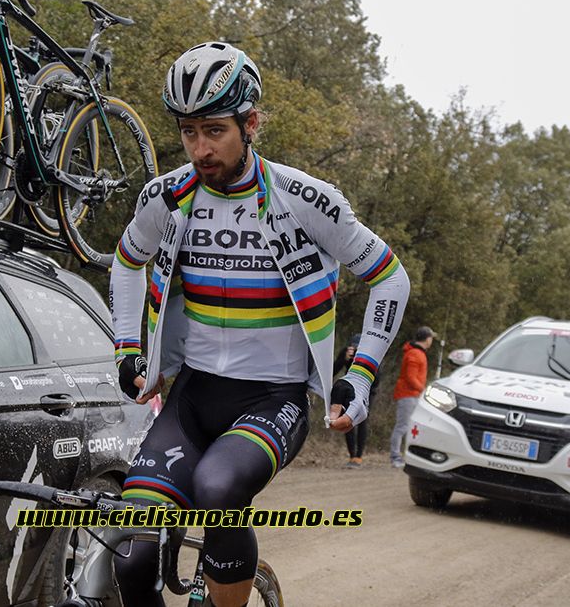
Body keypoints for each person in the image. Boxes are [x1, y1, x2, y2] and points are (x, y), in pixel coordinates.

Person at [109, 41, 410, 607]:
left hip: (273, 398)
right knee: (132, 549)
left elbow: (391, 277)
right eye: (189, 132)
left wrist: (361, 375)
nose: (201, 149)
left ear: (250, 123)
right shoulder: (169, 198)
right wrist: (129, 347)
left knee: (218, 490)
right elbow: (126, 260)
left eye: (214, 131)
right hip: (193, 396)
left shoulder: (305, 200)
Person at [389, 326, 436, 468]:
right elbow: (410, 377)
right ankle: (395, 457)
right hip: (408, 395)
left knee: (409, 427)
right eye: (431, 338)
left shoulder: (418, 353)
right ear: (427, 339)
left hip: (413, 394)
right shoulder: (415, 354)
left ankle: (406, 455)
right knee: (402, 426)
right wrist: (424, 390)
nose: (432, 341)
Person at [333, 335, 378, 468]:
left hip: (368, 391)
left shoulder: (370, 356)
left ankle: (359, 456)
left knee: (362, 420)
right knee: (348, 419)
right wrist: (344, 359)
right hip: (350, 390)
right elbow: (334, 370)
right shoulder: (347, 352)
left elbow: (377, 379)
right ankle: (352, 455)